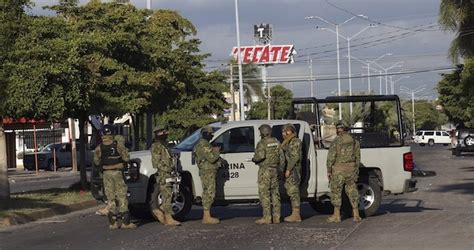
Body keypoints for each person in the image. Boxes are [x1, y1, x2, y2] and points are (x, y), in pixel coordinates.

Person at [94, 124, 136, 229]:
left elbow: (96, 161)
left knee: (110, 197)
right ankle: (126, 222)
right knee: (122, 196)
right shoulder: (118, 145)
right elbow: (126, 158)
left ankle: (113, 223)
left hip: (106, 174)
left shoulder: (99, 147)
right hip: (117, 172)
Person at [326, 121, 362, 223]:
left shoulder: (336, 140)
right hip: (351, 170)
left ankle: (336, 216)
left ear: (338, 129)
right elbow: (358, 157)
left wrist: (329, 170)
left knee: (336, 192)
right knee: (352, 191)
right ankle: (356, 215)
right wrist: (355, 169)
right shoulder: (354, 141)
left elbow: (331, 157)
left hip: (338, 170)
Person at [252, 124, 285, 224]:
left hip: (265, 171)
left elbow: (260, 156)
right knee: (275, 194)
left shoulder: (262, 143)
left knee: (265, 194)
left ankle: (267, 217)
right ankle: (277, 217)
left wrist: (254, 159)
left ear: (262, 132)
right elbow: (282, 157)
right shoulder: (276, 142)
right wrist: (281, 169)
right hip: (275, 170)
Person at [150, 125, 181, 226]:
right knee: (166, 195)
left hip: (169, 173)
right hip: (163, 174)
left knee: (170, 194)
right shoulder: (156, 145)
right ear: (157, 133)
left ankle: (158, 210)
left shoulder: (164, 144)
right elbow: (155, 162)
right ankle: (169, 218)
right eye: (162, 132)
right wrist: (167, 169)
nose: (165, 133)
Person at [193, 125, 221, 224]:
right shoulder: (203, 145)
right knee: (209, 193)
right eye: (210, 134)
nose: (212, 136)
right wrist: (217, 152)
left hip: (208, 171)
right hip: (207, 171)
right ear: (205, 134)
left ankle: (207, 215)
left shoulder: (205, 144)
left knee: (208, 192)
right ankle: (206, 217)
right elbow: (212, 158)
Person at [281, 123, 303, 223]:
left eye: (288, 131)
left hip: (293, 170)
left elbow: (294, 157)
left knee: (294, 192)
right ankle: (294, 213)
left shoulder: (295, 142)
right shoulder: (288, 142)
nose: (285, 133)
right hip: (291, 169)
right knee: (290, 191)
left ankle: (296, 215)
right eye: (284, 131)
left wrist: (288, 169)